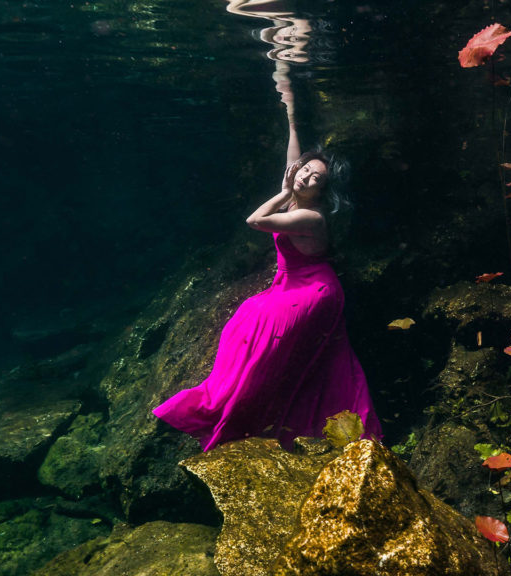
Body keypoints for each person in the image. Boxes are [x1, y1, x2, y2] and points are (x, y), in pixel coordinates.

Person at [152, 54, 382, 451]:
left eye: (315, 177)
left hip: (315, 293)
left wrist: (287, 190)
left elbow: (255, 221)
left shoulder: (308, 215)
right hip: (290, 284)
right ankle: (235, 404)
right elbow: (294, 157)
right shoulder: (298, 186)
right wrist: (291, 109)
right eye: (305, 171)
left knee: (263, 335)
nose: (306, 176)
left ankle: (245, 415)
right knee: (242, 323)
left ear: (322, 189)